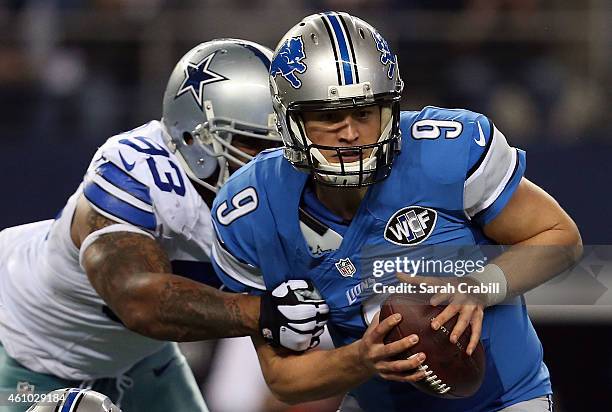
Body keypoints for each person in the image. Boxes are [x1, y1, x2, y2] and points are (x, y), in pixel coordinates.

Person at [210, 12, 582, 412]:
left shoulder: (444, 153)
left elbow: (561, 238)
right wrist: (361, 358)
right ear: (289, 120)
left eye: (365, 113)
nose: (350, 133)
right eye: (330, 116)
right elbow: (283, 380)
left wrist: (480, 285)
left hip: (503, 400)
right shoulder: (255, 208)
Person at [0, 39, 328, 412]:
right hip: (23, 343)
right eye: (255, 144)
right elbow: (137, 299)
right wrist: (263, 312)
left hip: (139, 359)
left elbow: (283, 368)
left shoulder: (281, 203)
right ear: (193, 137)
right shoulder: (134, 168)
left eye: (282, 146)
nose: (274, 166)